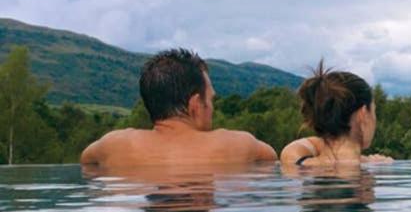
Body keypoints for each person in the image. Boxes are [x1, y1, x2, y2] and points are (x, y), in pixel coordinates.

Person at [80, 49, 276, 167]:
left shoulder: (113, 145)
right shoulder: (239, 144)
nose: (212, 108)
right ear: (195, 104)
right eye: (210, 99)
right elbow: (271, 158)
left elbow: (86, 161)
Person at [280, 62, 391, 168]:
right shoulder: (376, 169)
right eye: (373, 111)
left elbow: (296, 148)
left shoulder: (296, 164)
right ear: (362, 115)